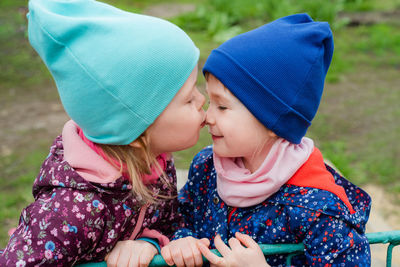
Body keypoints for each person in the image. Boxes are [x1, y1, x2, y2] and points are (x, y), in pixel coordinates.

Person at [0, 0, 206, 266]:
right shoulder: (69, 213)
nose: (202, 101)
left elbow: (168, 222)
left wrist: (149, 242)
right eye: (189, 99)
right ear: (137, 134)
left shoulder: (153, 162)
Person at [161, 14, 371, 267]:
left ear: (273, 122)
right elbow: (179, 220)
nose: (207, 117)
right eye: (210, 102)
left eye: (223, 107)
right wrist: (181, 240)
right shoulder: (206, 168)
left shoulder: (318, 209)